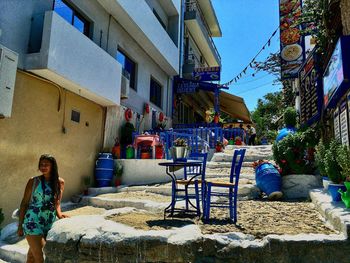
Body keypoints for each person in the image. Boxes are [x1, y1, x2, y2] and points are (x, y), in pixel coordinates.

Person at [17, 154, 68, 263]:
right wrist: (20, 225)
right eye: (41, 164)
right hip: (32, 221)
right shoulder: (33, 181)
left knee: (32, 256)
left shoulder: (60, 183)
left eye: (46, 164)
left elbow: (57, 202)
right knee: (41, 256)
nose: (43, 167)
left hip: (48, 222)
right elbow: (24, 203)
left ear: (53, 166)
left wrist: (59, 214)